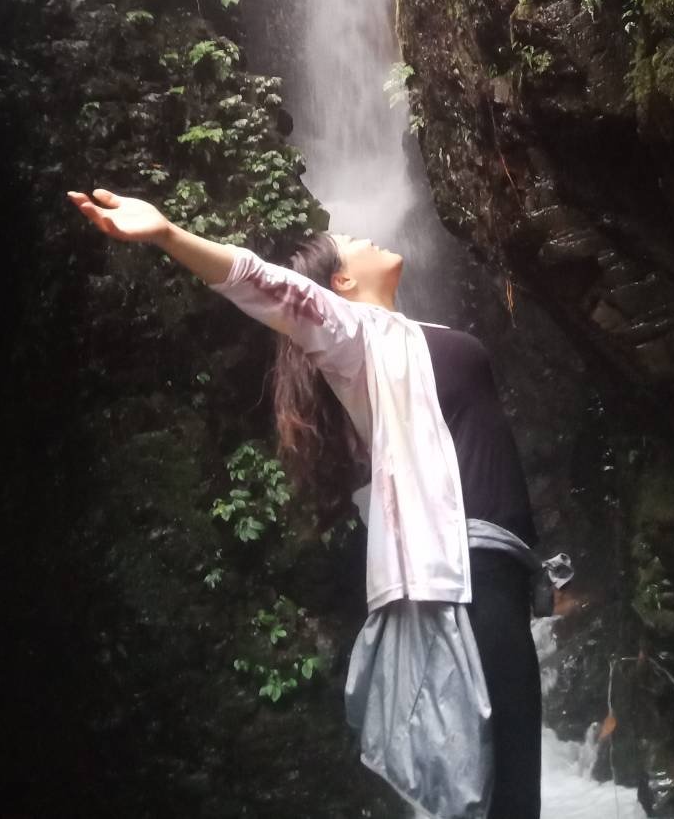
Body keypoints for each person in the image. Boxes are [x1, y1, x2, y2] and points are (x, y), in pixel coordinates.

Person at [68, 186, 549, 819]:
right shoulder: (359, 339)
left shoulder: (401, 341)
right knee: (500, 794)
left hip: (497, 573)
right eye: (350, 242)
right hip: (460, 577)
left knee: (510, 784)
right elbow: (273, 288)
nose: (365, 235)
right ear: (340, 284)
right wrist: (168, 235)